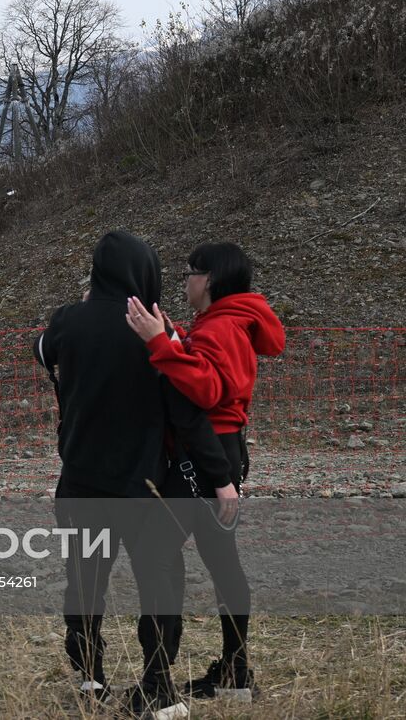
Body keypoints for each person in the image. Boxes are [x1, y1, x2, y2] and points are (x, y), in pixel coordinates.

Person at [35, 231, 234, 718]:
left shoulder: (69, 322)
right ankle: (158, 686)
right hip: (142, 487)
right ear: (146, 275)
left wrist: (81, 309)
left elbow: (42, 351)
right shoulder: (152, 332)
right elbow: (186, 413)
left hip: (79, 481)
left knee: (84, 580)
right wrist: (221, 475)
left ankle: (88, 678)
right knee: (160, 581)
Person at [125, 242, 286, 703]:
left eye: (191, 273)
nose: (186, 281)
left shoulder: (221, 328)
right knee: (221, 560)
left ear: (210, 279)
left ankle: (158, 685)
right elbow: (205, 367)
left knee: (154, 552)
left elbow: (208, 389)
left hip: (206, 455)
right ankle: (235, 672)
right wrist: (173, 335)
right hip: (223, 452)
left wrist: (160, 344)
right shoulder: (227, 323)